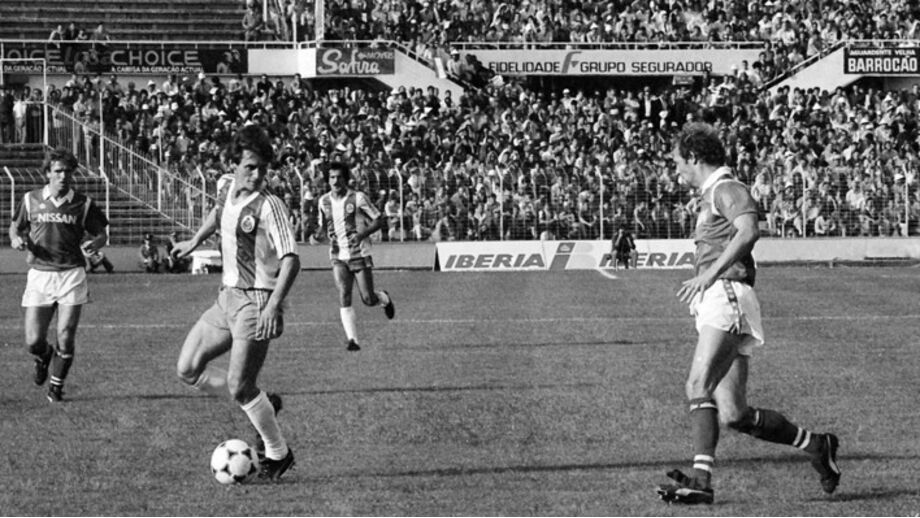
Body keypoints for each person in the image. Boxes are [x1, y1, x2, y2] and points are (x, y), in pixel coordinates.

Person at [657, 122, 840, 505]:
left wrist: (709, 274)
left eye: (678, 162)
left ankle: (701, 482)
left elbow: (748, 230)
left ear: (694, 157)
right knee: (734, 414)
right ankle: (816, 445)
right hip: (720, 299)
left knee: (696, 386)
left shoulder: (727, 188)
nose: (676, 171)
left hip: (727, 295)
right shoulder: (713, 193)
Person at [171, 125, 299, 481]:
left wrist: (274, 305)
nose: (258, 175)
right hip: (227, 298)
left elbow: (291, 259)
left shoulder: (270, 205)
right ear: (235, 164)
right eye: (250, 167)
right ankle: (265, 406)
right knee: (187, 370)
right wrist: (194, 240)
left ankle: (279, 453)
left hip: (256, 303)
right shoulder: (227, 185)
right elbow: (217, 213)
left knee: (239, 386)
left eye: (262, 168)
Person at [8, 148, 109, 402]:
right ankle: (43, 357)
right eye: (58, 171)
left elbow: (101, 233)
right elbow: (15, 227)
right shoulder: (31, 199)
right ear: (47, 173)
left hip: (71, 274)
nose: (63, 176)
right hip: (40, 274)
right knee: (33, 341)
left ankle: (56, 386)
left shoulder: (82, 203)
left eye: (67, 171)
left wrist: (96, 244)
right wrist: (15, 239)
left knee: (66, 333)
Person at [316, 162, 395, 352]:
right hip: (337, 255)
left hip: (359, 252)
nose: (335, 181)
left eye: (339, 177)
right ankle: (353, 340)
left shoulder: (358, 198)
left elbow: (378, 219)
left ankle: (383, 298)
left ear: (345, 178)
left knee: (368, 298)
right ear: (328, 180)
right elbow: (323, 227)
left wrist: (362, 234)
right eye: (332, 177)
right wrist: (317, 235)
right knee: (344, 293)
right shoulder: (323, 201)